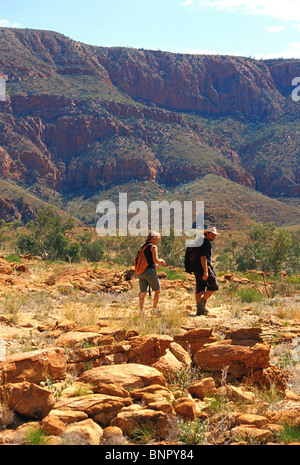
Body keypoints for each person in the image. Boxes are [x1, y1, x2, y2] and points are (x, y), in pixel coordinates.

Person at [193, 226, 220, 315]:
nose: (214, 236)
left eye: (214, 235)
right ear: (207, 233)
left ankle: (199, 310)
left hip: (196, 268)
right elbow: (203, 257)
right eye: (212, 234)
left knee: (200, 288)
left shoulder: (200, 241)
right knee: (214, 286)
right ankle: (201, 303)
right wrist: (205, 271)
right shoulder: (206, 243)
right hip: (202, 268)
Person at [138, 232, 166, 315]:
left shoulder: (143, 246)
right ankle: (154, 309)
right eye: (157, 239)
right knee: (157, 291)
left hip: (141, 271)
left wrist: (155, 264)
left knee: (143, 293)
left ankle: (141, 311)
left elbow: (146, 259)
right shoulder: (153, 247)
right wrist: (161, 261)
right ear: (153, 238)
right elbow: (155, 260)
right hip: (150, 272)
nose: (157, 241)